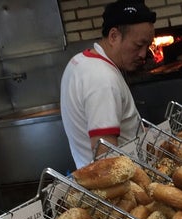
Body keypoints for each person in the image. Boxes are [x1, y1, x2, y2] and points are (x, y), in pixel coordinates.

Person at [60, 0, 155, 168]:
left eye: (147, 46)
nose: (143, 54)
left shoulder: (79, 62)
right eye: (138, 45)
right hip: (115, 189)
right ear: (114, 36)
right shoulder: (103, 79)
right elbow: (106, 156)